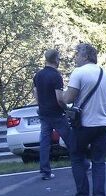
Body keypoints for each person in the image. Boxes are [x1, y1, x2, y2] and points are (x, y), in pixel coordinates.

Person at [56, 43, 106, 196]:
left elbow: (67, 99)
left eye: (77, 55)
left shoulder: (79, 73)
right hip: (103, 124)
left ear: (85, 56)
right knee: (99, 161)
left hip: (84, 124)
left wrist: (60, 96)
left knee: (77, 157)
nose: (75, 58)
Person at [33, 49, 70, 180]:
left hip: (44, 113)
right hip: (56, 113)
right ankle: (83, 163)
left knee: (44, 142)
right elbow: (60, 98)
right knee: (69, 139)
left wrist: (41, 105)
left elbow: (36, 93)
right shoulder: (56, 76)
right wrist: (66, 108)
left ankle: (45, 171)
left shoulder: (38, 75)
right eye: (59, 59)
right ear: (55, 60)